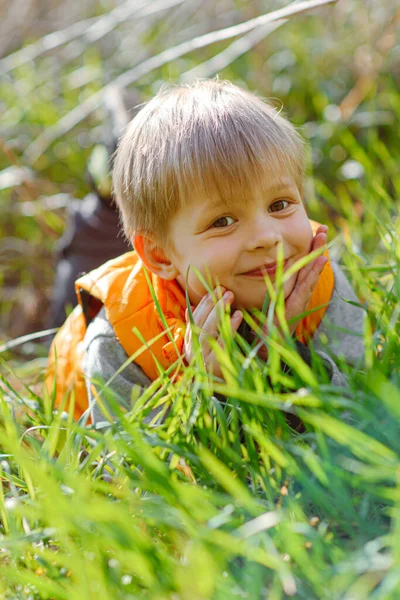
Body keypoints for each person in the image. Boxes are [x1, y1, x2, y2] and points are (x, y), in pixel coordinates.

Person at [46, 79, 364, 425]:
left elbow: (352, 423)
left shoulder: (320, 284)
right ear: (161, 256)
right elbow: (135, 472)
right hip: (78, 387)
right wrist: (212, 390)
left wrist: (282, 357)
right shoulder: (121, 343)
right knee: (82, 268)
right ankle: (104, 194)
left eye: (280, 204)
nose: (267, 237)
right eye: (223, 220)